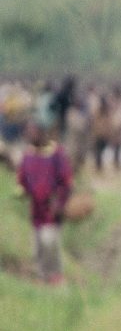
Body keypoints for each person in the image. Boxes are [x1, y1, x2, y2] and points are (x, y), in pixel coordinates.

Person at [16, 120, 72, 285]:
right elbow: (22, 178)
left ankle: (55, 275)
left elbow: (66, 181)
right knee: (38, 244)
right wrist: (21, 189)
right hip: (36, 208)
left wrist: (59, 202)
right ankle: (41, 275)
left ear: (41, 133)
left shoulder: (56, 153)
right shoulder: (28, 155)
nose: (30, 136)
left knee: (50, 242)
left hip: (52, 208)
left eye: (33, 132)